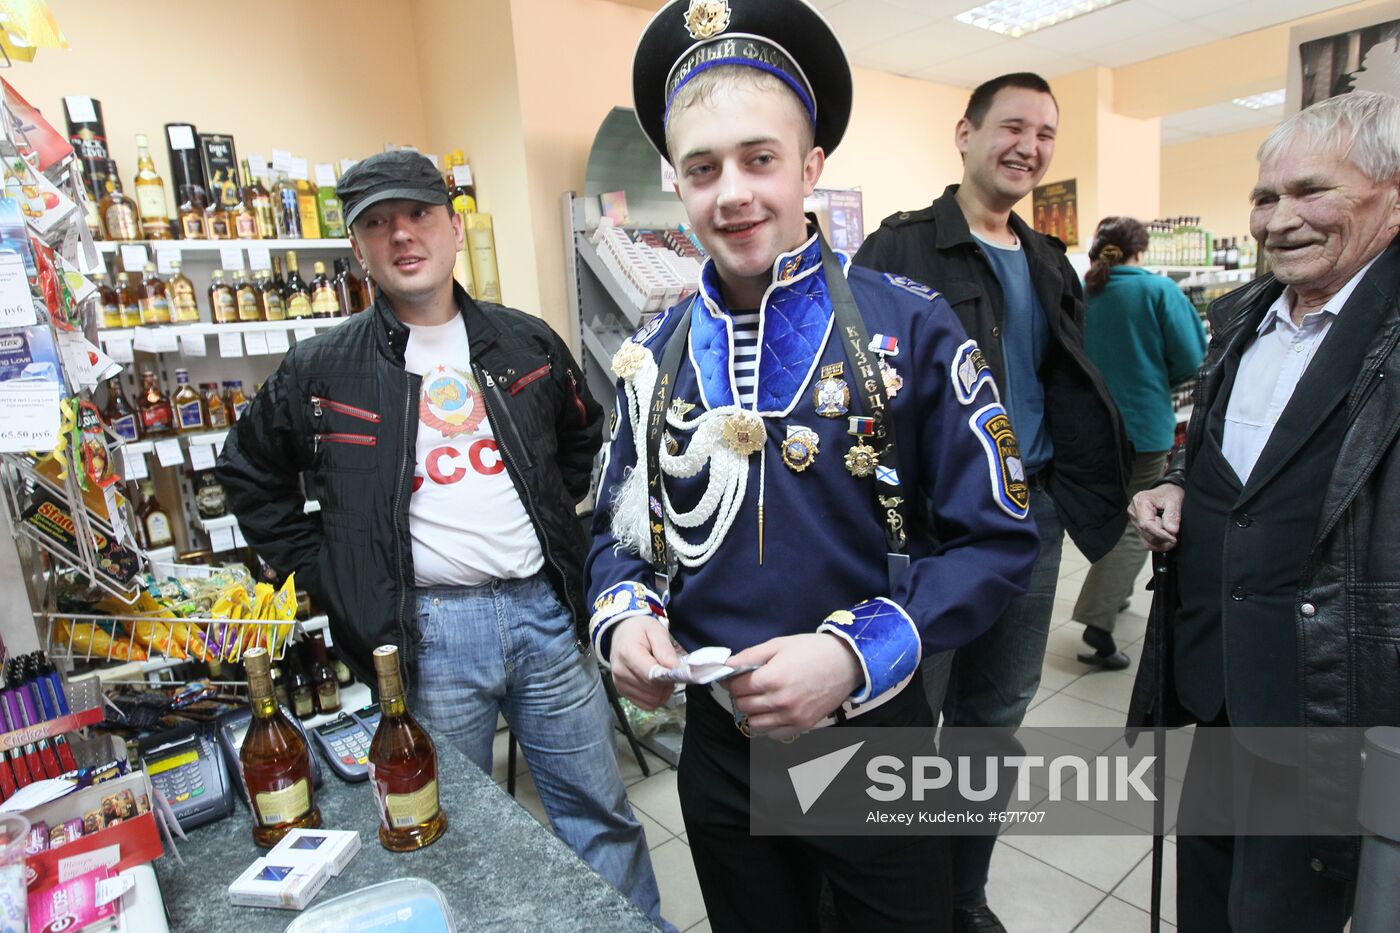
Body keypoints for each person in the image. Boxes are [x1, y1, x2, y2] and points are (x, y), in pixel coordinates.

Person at [587, 0, 1039, 928]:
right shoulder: (654, 349)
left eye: (760, 158)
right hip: (719, 749)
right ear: (679, 182)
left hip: (867, 739)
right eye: (704, 169)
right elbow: (616, 529)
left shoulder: (910, 327)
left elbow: (998, 539)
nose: (734, 193)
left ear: (811, 166)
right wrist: (622, 615)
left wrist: (851, 653)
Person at [214, 150, 667, 926]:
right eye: (377, 223)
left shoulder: (525, 343)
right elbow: (249, 473)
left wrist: (544, 517)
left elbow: (584, 440)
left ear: (454, 229)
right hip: (426, 632)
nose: (402, 235)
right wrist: (328, 574)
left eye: (419, 214)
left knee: (602, 817)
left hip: (544, 616)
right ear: (356, 247)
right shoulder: (323, 370)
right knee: (447, 833)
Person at [853, 72, 1131, 933]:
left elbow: (1069, 385)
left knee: (992, 719)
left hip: (1032, 520)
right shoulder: (900, 249)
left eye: (1046, 134)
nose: (1030, 147)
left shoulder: (1048, 258)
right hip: (931, 530)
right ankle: (882, 895)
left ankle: (959, 893)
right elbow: (856, 390)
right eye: (1013, 127)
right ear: (965, 133)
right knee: (901, 717)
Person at [1127, 90, 1400, 932]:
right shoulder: (1240, 314)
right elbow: (1224, 450)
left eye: (1311, 191)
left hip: (1323, 694)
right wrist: (1175, 477)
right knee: (1208, 890)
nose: (1278, 220)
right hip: (1213, 676)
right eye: (1263, 197)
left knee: (1286, 907)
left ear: (1391, 195)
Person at [1072, 217, 1207, 669]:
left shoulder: (1081, 293)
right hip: (1145, 428)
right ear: (1139, 251)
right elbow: (1192, 359)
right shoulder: (1158, 291)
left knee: (1108, 514)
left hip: (1090, 429)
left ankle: (1114, 596)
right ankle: (1097, 620)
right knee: (1136, 524)